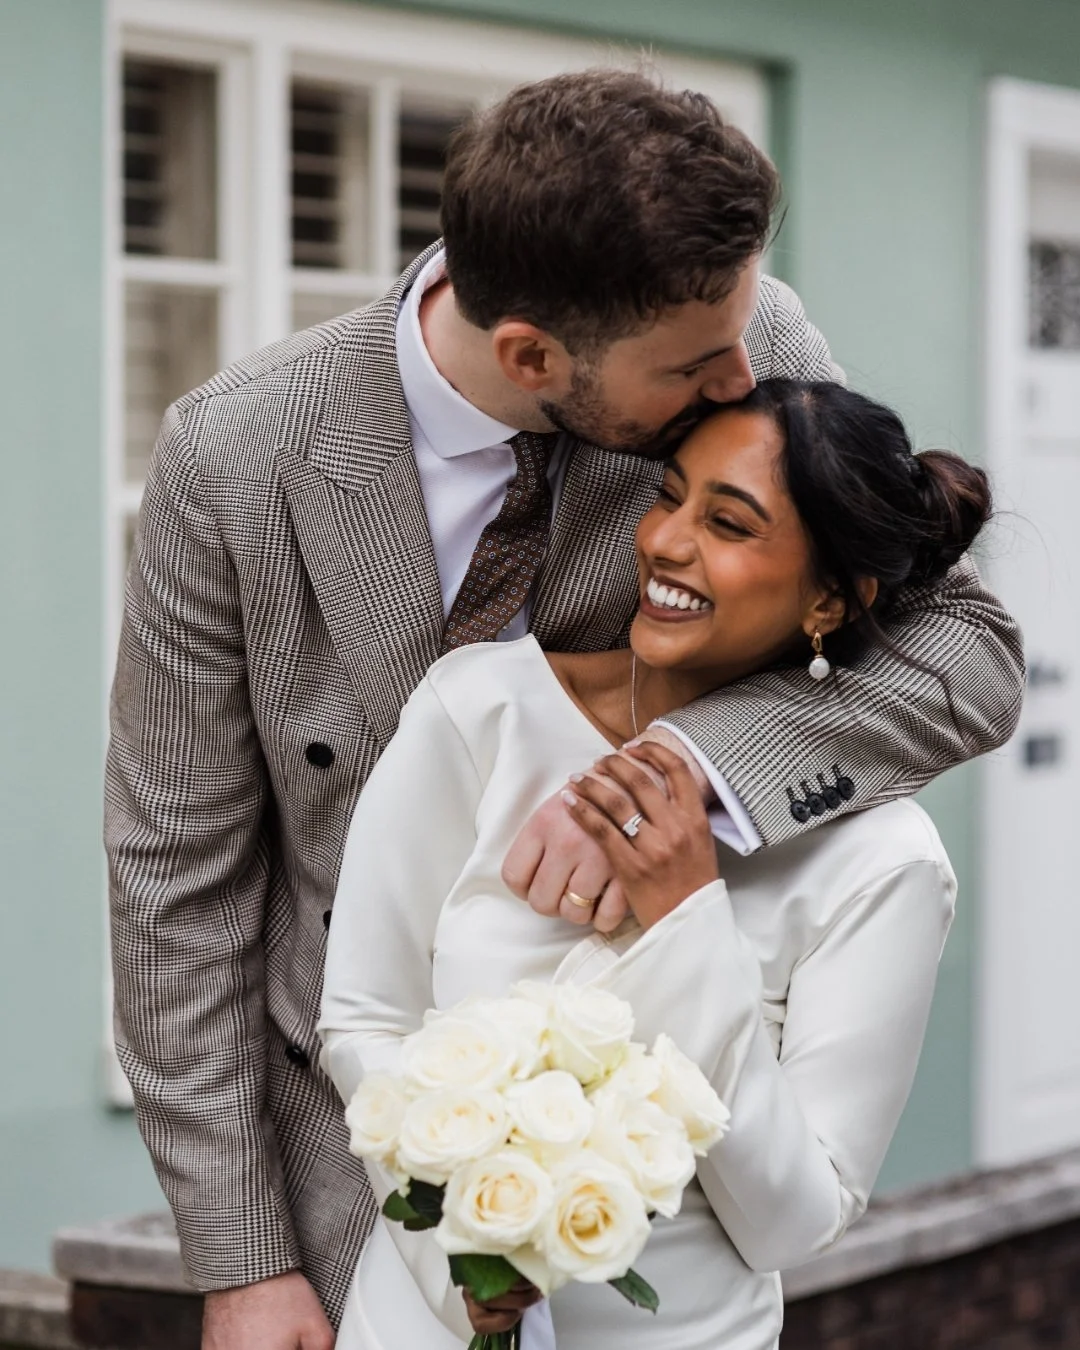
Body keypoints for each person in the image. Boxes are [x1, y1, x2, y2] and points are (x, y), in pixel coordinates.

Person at [104, 70, 1023, 1349]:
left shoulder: (730, 332)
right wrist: (242, 1255)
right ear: (534, 356)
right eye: (695, 368)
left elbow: (965, 646)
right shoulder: (235, 456)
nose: (743, 381)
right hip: (348, 1181)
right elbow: (174, 878)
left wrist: (682, 766)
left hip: (657, 1248)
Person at [319, 380, 995, 1349]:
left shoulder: (883, 863)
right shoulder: (481, 714)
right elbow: (366, 1016)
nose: (667, 541)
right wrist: (458, 1258)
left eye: (729, 523)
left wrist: (686, 922)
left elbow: (794, 1222)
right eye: (669, 495)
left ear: (829, 599)